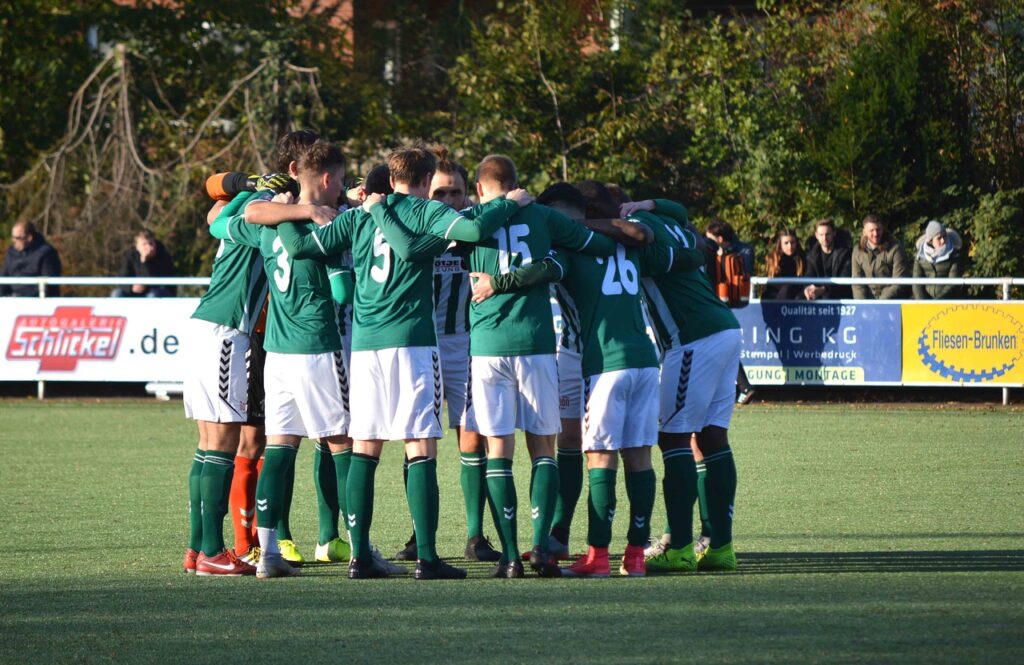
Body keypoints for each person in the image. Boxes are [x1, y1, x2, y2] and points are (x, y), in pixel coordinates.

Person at [270, 145, 529, 580]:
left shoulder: (357, 216)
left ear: (390, 180)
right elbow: (471, 230)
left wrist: (290, 208)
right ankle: (427, 557)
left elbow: (298, 249)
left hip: (365, 347)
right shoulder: (426, 212)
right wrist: (508, 202)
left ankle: (359, 556)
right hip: (411, 344)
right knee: (420, 445)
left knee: (366, 448)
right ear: (428, 181)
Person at [181, 129, 320, 577]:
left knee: (207, 446)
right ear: (298, 171)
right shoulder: (273, 204)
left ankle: (196, 548)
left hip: (208, 324)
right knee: (221, 443)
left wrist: (247, 185)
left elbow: (213, 208)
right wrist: (311, 207)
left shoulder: (254, 199)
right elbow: (220, 201)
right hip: (227, 329)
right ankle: (212, 553)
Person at [620, 197, 742, 573]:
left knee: (673, 438)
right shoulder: (667, 220)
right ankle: (720, 547)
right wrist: (650, 202)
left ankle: (680, 547)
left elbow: (650, 247)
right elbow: (681, 212)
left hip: (691, 338)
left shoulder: (638, 235)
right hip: (724, 328)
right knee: (711, 437)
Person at [393, 145, 502, 563]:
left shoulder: (475, 225)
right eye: (440, 193)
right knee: (417, 439)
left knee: (471, 434)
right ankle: (419, 536)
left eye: (455, 193)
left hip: (464, 344)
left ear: (467, 194)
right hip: (420, 342)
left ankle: (476, 536)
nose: (448, 200)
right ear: (426, 192)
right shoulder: (413, 228)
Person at [852, 214, 909, 299]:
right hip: (868, 301)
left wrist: (880, 303)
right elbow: (857, 283)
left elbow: (898, 282)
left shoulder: (895, 249)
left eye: (878, 230)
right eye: (871, 230)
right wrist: (862, 304)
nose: (875, 234)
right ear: (864, 232)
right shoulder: (858, 251)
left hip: (892, 300)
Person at [1, 221, 62, 297]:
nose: (13, 241)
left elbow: (49, 284)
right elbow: (3, 278)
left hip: (37, 301)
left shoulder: (46, 253)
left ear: (29, 238)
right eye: (12, 237)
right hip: (12, 300)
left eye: (17, 238)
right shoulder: (11, 253)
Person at [112, 229, 177, 298]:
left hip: (158, 291)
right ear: (137, 246)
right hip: (136, 292)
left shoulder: (163, 256)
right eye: (144, 244)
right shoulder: (130, 256)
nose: (149, 247)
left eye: (151, 243)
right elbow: (123, 276)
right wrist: (131, 287)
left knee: (153, 295)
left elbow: (157, 281)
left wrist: (144, 262)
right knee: (117, 294)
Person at [912, 220, 963, 300]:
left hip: (948, 301)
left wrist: (937, 302)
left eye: (944, 236)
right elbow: (916, 283)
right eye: (939, 238)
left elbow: (953, 283)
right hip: (924, 303)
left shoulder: (954, 255)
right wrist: (922, 302)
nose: (943, 240)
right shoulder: (920, 256)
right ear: (930, 241)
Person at [804, 218, 852, 300]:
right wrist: (808, 288)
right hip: (817, 291)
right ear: (816, 235)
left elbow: (845, 278)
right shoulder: (812, 255)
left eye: (827, 234)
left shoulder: (845, 253)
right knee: (800, 298)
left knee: (827, 297)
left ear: (834, 233)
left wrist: (824, 289)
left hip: (839, 292)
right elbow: (809, 275)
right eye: (821, 235)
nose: (824, 238)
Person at [762, 228, 807, 300]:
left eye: (792, 242)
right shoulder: (772, 259)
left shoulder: (802, 258)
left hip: (795, 294)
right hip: (774, 295)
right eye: (786, 243)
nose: (790, 246)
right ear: (780, 244)